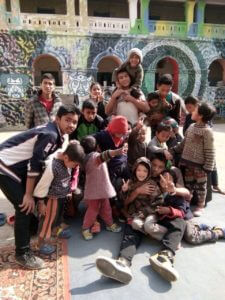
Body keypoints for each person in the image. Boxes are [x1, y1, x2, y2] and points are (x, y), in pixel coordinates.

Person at [0, 104, 80, 269]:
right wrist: (29, 195)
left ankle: (27, 231)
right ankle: (22, 253)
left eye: (74, 122)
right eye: (67, 120)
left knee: (27, 205)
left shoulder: (58, 134)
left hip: (13, 166)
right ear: (57, 119)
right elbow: (34, 165)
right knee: (24, 206)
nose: (71, 125)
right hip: (4, 166)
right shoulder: (50, 134)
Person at [95, 153, 189, 284]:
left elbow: (186, 195)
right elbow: (123, 202)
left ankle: (165, 257)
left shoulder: (168, 178)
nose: (156, 169)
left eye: (160, 167)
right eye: (154, 165)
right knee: (131, 229)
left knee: (180, 223)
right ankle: (123, 262)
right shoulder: (135, 180)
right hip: (141, 215)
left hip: (160, 214)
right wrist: (136, 191)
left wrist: (173, 190)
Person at [34, 141, 85, 254]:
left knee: (56, 217)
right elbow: (42, 186)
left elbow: (65, 177)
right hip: (51, 199)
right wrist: (41, 203)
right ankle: (42, 243)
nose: (75, 167)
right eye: (74, 165)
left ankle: (54, 230)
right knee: (48, 220)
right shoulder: (52, 166)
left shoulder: (66, 161)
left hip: (60, 196)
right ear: (66, 158)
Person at [170, 102, 216, 216]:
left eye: (195, 110)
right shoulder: (191, 127)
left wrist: (208, 167)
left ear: (200, 116)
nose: (192, 112)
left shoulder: (207, 132)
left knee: (201, 186)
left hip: (200, 166)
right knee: (189, 184)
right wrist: (174, 149)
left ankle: (200, 205)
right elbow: (184, 143)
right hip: (187, 162)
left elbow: (210, 151)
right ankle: (187, 202)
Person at [149, 170, 191, 282]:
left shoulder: (178, 195)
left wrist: (168, 210)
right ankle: (172, 243)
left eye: (169, 179)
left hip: (181, 221)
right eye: (163, 179)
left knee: (191, 236)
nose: (165, 182)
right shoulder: (158, 193)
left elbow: (182, 213)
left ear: (174, 183)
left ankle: (166, 255)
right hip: (165, 221)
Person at [80, 136, 123, 240]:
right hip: (96, 191)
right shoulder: (94, 156)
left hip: (100, 190)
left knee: (105, 207)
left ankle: (109, 223)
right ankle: (85, 228)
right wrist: (117, 151)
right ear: (97, 147)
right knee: (93, 210)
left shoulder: (85, 158)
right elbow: (106, 154)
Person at [121, 157, 164, 237]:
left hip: (151, 212)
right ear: (134, 170)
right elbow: (124, 202)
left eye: (145, 171)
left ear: (149, 172)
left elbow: (159, 201)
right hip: (138, 214)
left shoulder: (151, 184)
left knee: (148, 225)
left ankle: (167, 236)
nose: (141, 173)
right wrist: (124, 191)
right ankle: (152, 234)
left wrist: (146, 212)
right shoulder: (130, 183)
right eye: (139, 170)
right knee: (135, 224)